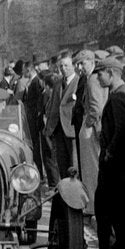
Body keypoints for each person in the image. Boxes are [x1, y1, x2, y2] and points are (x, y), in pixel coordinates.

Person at [94, 56, 125, 249]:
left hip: (116, 162)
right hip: (115, 160)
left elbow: (121, 129)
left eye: (100, 73)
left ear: (111, 73)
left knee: (118, 206)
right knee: (106, 203)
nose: (98, 78)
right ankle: (109, 246)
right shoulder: (119, 93)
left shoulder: (120, 96)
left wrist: (109, 151)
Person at [72, 49, 105, 221]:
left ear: (92, 61)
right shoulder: (92, 78)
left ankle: (92, 206)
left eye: (82, 63)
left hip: (91, 128)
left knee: (91, 169)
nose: (79, 67)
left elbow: (96, 109)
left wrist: (88, 124)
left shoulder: (92, 79)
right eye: (77, 64)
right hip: (93, 127)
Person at [44, 50, 78, 179]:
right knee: (61, 165)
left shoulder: (79, 82)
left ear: (73, 65)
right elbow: (53, 106)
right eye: (61, 66)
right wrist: (48, 129)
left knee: (74, 165)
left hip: (72, 130)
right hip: (58, 131)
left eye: (66, 65)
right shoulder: (58, 83)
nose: (63, 69)